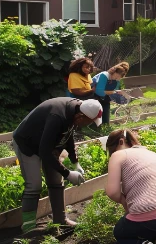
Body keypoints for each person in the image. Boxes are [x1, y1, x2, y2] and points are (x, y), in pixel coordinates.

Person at [12, 97, 103, 232]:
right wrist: (67, 173)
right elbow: (44, 152)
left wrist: (75, 162)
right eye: (89, 122)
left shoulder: (74, 111)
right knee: (34, 184)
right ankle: (28, 226)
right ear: (80, 117)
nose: (89, 125)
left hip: (45, 144)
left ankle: (60, 220)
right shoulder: (57, 116)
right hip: (27, 143)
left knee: (56, 180)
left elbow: (68, 136)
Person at [106, 129, 156, 244]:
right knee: (150, 231)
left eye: (112, 150)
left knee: (119, 232)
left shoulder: (119, 155)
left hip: (148, 221)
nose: (112, 153)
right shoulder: (153, 154)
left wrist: (124, 202)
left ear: (121, 142)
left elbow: (112, 192)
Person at [91, 62, 130, 126]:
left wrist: (120, 94)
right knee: (96, 120)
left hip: (105, 99)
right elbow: (99, 91)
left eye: (119, 78)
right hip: (94, 97)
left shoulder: (117, 79)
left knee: (106, 121)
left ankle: (105, 127)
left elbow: (115, 90)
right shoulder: (104, 75)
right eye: (116, 77)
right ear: (113, 72)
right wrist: (113, 92)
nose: (117, 79)